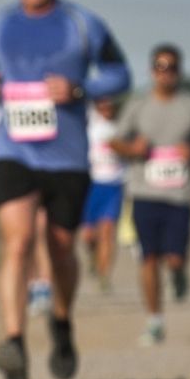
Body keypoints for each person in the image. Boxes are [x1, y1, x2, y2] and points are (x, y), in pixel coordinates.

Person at [0, 0, 130, 379]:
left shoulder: (83, 24)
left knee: (60, 248)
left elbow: (120, 74)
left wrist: (81, 89)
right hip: (14, 150)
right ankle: (14, 342)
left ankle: (61, 324)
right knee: (18, 242)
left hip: (66, 156)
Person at [112, 44, 190, 346]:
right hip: (144, 191)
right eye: (160, 66)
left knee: (173, 258)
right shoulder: (138, 105)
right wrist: (132, 149)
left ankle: (180, 273)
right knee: (148, 258)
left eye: (171, 67)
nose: (165, 73)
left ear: (179, 71)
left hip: (179, 195)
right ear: (151, 70)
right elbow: (115, 141)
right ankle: (155, 320)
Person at [80, 97, 127, 290]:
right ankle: (93, 256)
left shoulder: (122, 126)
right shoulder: (89, 123)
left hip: (114, 185)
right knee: (89, 236)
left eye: (110, 103)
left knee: (108, 231)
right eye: (103, 103)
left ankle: (104, 274)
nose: (107, 107)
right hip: (91, 184)